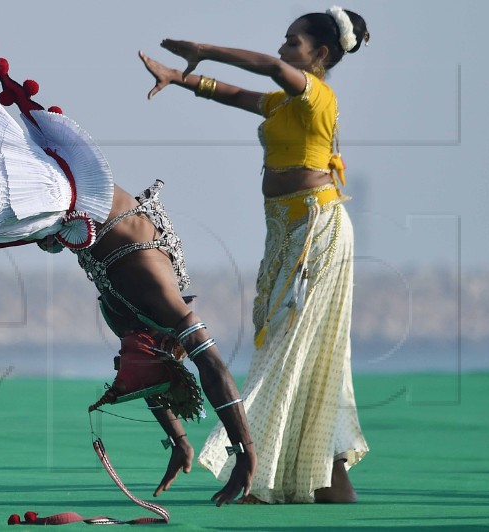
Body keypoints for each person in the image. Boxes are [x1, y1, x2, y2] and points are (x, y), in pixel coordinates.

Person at [0, 37, 255, 506]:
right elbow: (214, 367)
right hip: (59, 190)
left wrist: (179, 440)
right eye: (142, 359)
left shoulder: (127, 320)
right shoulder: (157, 296)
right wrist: (245, 453)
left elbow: (145, 373)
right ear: (165, 341)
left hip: (53, 201)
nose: (123, 365)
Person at [139, 6, 370, 504]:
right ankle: (322, 475)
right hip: (286, 231)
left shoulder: (316, 97)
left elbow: (265, 67)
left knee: (287, 344)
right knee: (289, 344)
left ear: (320, 54)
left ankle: (253, 466)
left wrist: (205, 50)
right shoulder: (285, 105)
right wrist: (179, 78)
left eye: (293, 42)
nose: (284, 49)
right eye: (284, 42)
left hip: (317, 231)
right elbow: (236, 94)